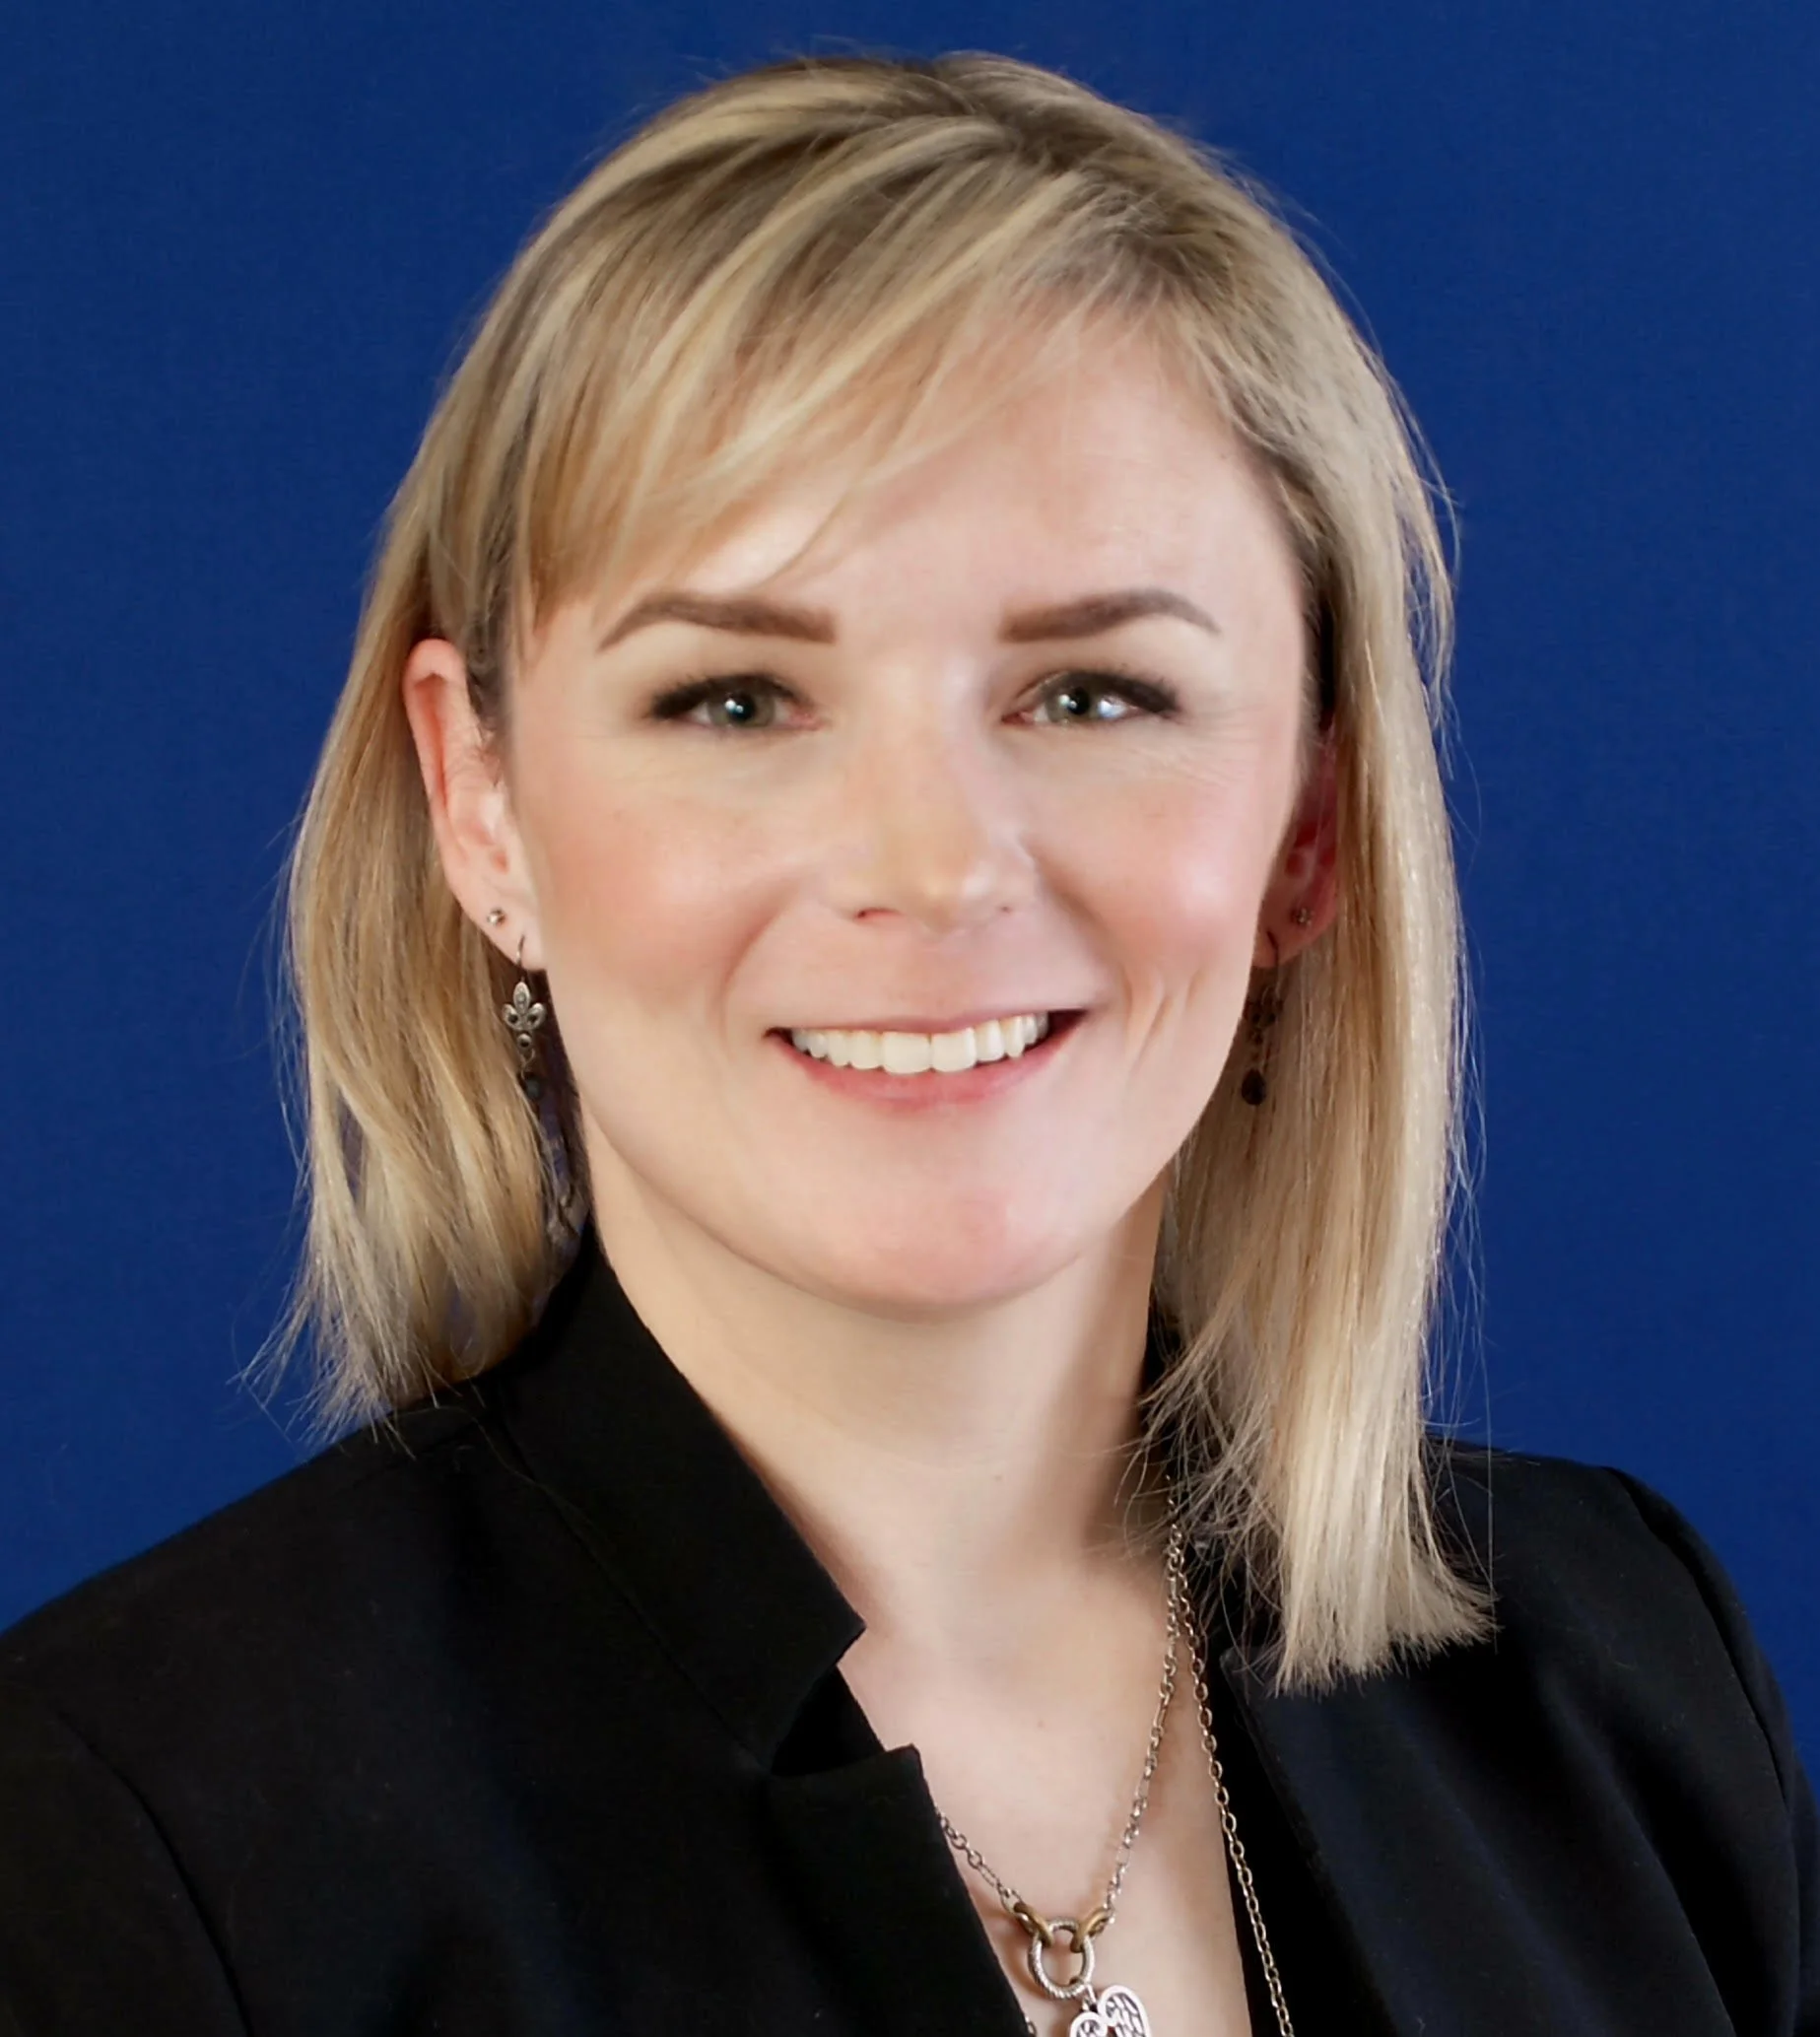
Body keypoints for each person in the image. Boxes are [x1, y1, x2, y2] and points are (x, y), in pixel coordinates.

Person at [0, 49, 1813, 2037]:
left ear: (1307, 821)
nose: (932, 868)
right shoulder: (124, 1841)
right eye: (734, 702)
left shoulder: (1615, 1673)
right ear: (482, 809)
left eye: (1092, 693)